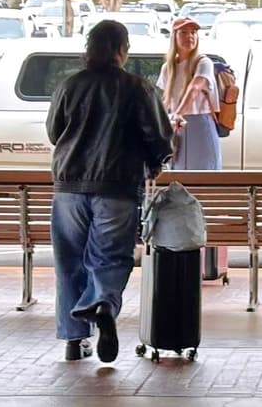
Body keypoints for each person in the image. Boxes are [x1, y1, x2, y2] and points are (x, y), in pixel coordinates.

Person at [47, 19, 174, 363]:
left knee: (69, 261)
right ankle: (102, 302)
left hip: (69, 185)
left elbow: (55, 132)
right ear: (122, 49)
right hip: (117, 185)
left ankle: (75, 341)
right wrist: (157, 159)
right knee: (111, 257)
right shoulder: (138, 88)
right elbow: (158, 137)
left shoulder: (69, 85)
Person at [158, 17, 221, 171]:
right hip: (176, 126)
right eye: (184, 32)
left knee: (204, 173)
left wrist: (179, 113)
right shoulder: (168, 67)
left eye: (193, 32)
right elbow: (166, 100)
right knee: (178, 173)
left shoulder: (203, 62)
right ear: (174, 36)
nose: (190, 36)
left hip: (200, 123)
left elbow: (195, 87)